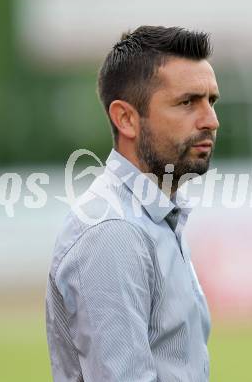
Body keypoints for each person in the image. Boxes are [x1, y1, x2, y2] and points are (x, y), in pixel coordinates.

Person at [46, 25, 220, 381]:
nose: (211, 121)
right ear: (126, 118)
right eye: (187, 102)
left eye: (211, 101)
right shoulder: (113, 232)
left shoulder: (156, 217)